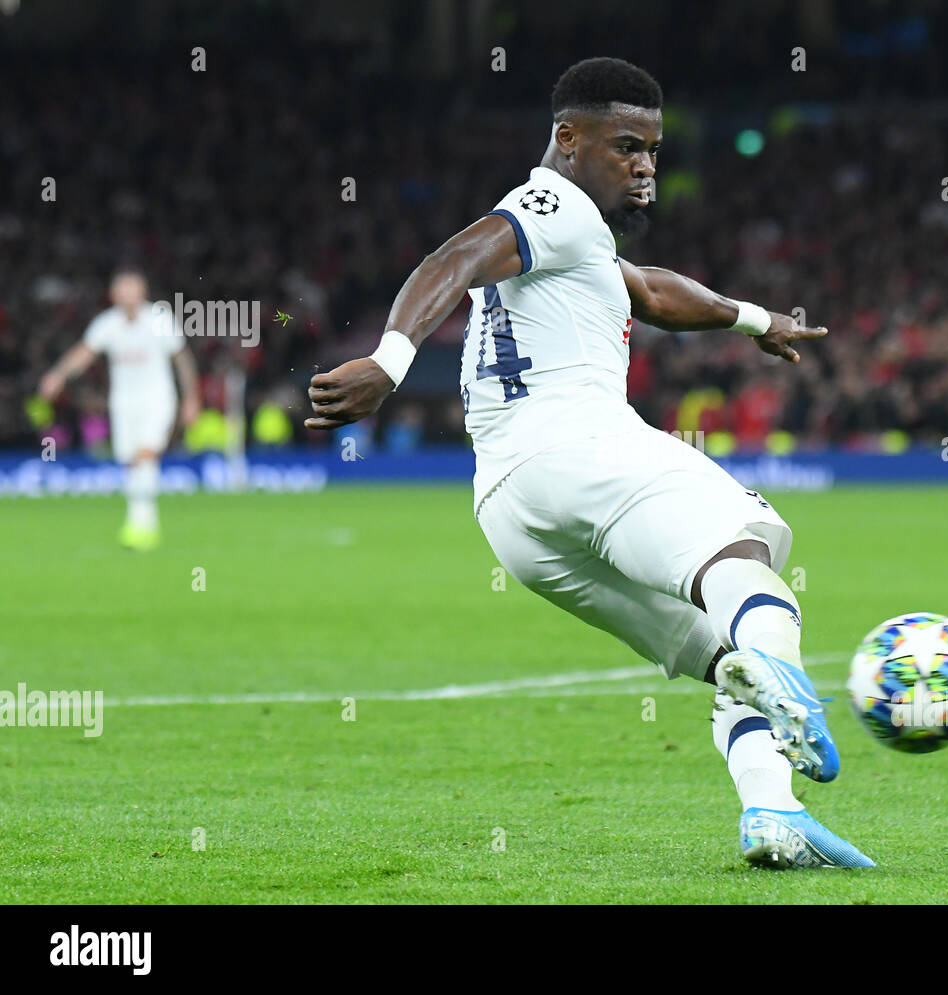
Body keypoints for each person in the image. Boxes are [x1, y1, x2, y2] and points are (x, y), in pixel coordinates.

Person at [305, 58, 872, 868]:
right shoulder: (553, 203)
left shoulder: (580, 243)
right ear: (567, 140)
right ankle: (791, 688)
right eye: (625, 146)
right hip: (578, 444)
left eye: (653, 150)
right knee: (748, 562)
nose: (644, 166)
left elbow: (651, 290)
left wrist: (754, 319)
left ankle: (774, 813)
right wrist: (390, 362)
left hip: (512, 513)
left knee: (727, 651)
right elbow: (454, 257)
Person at [39, 269, 200, 550]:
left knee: (145, 453)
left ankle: (143, 525)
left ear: (143, 292)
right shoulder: (107, 323)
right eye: (122, 289)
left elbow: (182, 358)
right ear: (114, 294)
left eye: (133, 288)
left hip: (157, 398)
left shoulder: (159, 319)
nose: (127, 294)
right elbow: (85, 353)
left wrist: (191, 398)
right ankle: (140, 521)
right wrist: (58, 375)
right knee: (130, 461)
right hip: (124, 402)